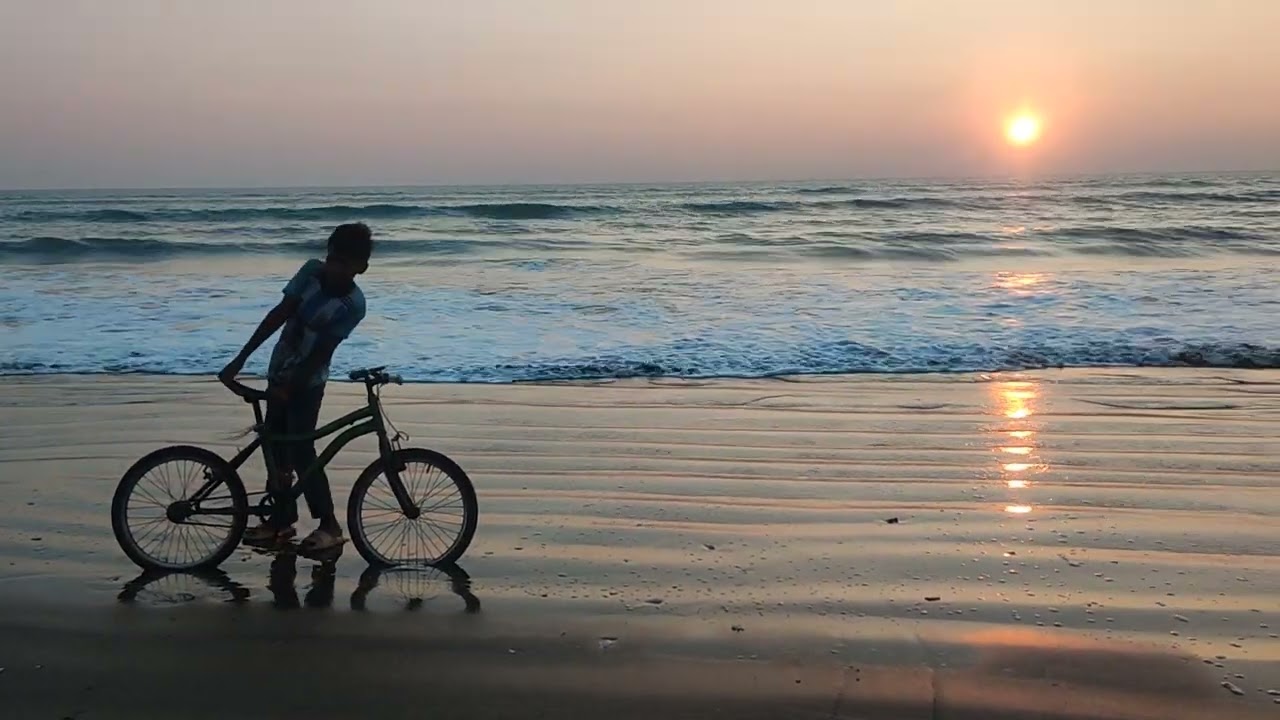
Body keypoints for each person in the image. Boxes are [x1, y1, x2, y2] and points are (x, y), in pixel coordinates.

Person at [218, 222, 372, 552]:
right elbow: (278, 316)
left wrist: (292, 387)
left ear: (360, 267)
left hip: (308, 383)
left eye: (344, 263)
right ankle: (280, 520)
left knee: (302, 452)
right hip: (279, 371)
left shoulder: (353, 305)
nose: (334, 267)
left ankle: (328, 524)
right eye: (332, 258)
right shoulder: (311, 273)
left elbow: (321, 352)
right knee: (276, 452)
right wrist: (240, 359)